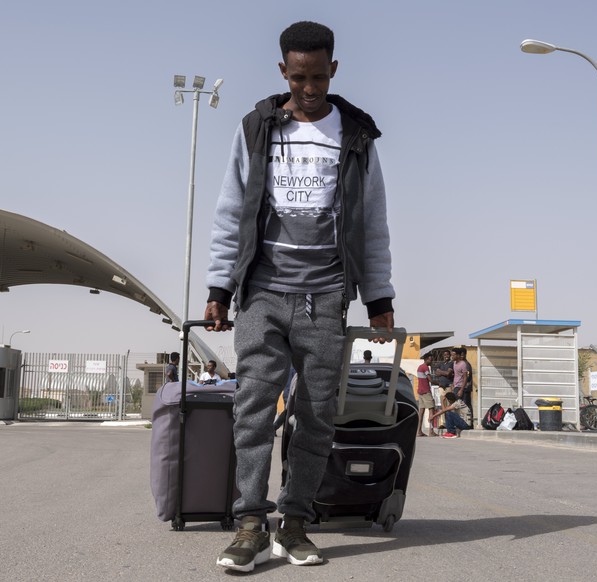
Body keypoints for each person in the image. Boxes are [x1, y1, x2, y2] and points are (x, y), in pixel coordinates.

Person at [204, 20, 395, 572]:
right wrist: (220, 287)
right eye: (297, 78)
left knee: (315, 417)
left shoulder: (356, 136)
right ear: (283, 71)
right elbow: (230, 213)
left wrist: (379, 296)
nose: (307, 89)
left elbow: (372, 222)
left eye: (317, 77)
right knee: (253, 409)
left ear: (333, 70)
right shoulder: (259, 127)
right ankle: (249, 523)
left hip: (327, 294)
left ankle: (294, 522)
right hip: (262, 291)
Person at [416, 353, 436, 437]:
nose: (431, 361)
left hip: (420, 391)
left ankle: (419, 431)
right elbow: (430, 380)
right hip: (426, 391)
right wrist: (439, 382)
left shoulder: (420, 367)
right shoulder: (425, 367)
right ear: (427, 359)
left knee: (421, 411)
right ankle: (431, 431)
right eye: (430, 359)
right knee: (432, 409)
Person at [459, 347, 474, 423]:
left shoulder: (466, 365)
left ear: (465, 355)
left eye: (462, 355)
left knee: (467, 405)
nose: (461, 357)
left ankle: (469, 422)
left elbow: (467, 378)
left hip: (466, 388)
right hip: (462, 388)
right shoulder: (461, 364)